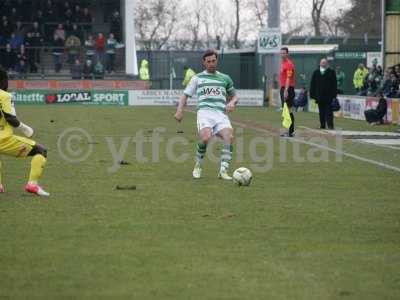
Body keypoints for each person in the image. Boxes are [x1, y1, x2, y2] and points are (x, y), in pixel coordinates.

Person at [174, 49, 238, 180]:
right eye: (208, 61)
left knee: (229, 137)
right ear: (204, 62)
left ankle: (223, 171)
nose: (211, 64)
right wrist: (179, 111)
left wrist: (232, 103)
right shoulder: (197, 78)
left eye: (214, 61)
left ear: (217, 60)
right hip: (205, 113)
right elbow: (185, 96)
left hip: (221, 114)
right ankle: (198, 165)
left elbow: (235, 96)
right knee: (205, 138)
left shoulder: (225, 78)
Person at [0, 67, 49, 196]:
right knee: (41, 150)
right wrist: (25, 128)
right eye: (6, 80)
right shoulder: (5, 96)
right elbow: (10, 118)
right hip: (3, 139)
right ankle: (32, 184)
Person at [310, 58, 337, 130]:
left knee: (329, 112)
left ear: (327, 64)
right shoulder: (316, 72)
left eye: (325, 63)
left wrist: (334, 95)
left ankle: (330, 125)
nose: (323, 64)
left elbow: (334, 84)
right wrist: (312, 94)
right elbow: (313, 84)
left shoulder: (331, 72)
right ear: (320, 63)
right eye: (322, 63)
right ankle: (322, 125)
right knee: (321, 112)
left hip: (329, 97)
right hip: (319, 96)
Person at [279, 47, 296, 137]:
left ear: (287, 54)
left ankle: (290, 131)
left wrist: (286, 90)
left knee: (288, 110)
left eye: (284, 53)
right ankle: (288, 130)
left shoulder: (289, 64)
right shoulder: (282, 63)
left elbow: (288, 78)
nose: (282, 55)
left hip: (288, 88)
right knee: (285, 110)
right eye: (281, 53)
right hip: (283, 88)